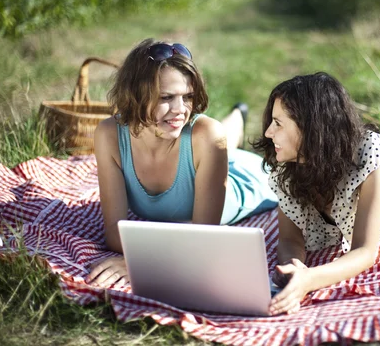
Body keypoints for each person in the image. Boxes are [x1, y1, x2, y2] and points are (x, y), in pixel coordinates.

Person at [254, 72, 380, 315]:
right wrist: (293, 267)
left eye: (278, 123)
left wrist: (309, 279)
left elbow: (364, 251)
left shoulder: (370, 150)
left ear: (311, 127)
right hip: (344, 158)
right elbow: (290, 239)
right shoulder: (287, 167)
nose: (268, 132)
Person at [87, 39, 278, 287]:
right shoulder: (109, 134)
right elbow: (113, 232)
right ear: (135, 94)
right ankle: (238, 117)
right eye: (166, 97)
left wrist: (145, 260)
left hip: (247, 180)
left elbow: (202, 240)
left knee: (217, 136)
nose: (180, 109)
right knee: (218, 140)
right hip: (205, 155)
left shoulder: (207, 135)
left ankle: (237, 120)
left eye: (188, 96)